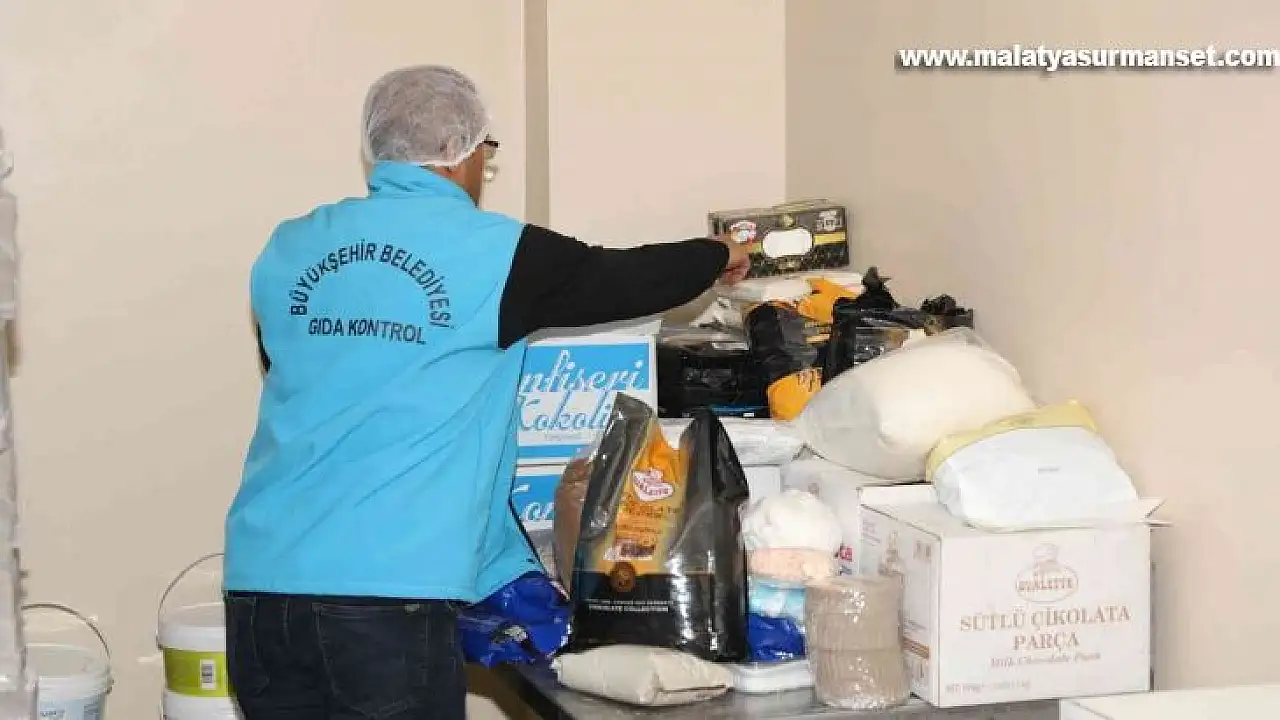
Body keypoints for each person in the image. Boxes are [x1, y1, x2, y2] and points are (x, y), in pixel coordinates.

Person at [222, 65, 751, 720]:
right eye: (486, 151)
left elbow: (292, 367)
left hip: (260, 589)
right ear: (459, 150)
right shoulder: (495, 253)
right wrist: (718, 253)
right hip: (386, 602)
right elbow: (625, 277)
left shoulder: (290, 246)